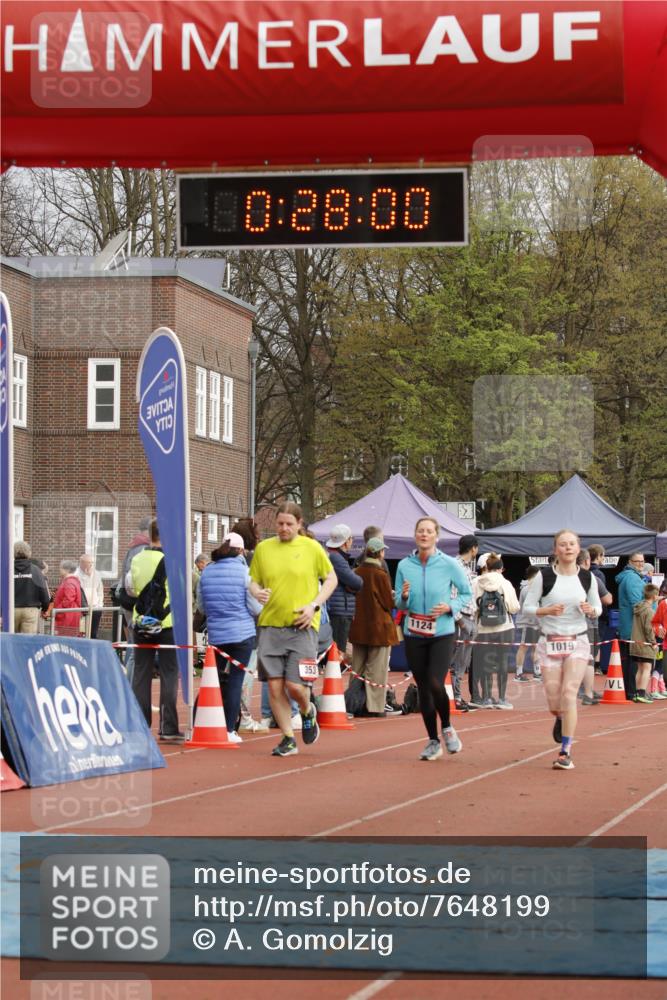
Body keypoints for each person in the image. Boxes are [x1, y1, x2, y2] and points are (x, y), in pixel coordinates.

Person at [249, 502, 337, 757]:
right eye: (280, 524)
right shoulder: (264, 549)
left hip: (303, 627)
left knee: (296, 687)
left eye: (289, 524)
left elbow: (331, 579)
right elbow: (253, 581)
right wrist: (257, 592)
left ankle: (308, 711)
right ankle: (288, 738)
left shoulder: (312, 548)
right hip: (270, 627)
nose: (284, 528)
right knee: (275, 688)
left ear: (299, 524)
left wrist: (314, 606)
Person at [524, 529, 601, 771]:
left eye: (572, 544)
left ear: (579, 549)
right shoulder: (544, 577)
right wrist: (545, 611)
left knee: (570, 695)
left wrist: (591, 610)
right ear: (555, 549)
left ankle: (565, 751)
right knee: (554, 702)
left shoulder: (587, 578)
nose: (567, 548)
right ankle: (559, 717)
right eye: (563, 544)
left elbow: (598, 607)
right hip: (549, 641)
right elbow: (526, 607)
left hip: (577, 640)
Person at [395, 517, 471, 761]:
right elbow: (398, 602)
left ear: (437, 536)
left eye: (429, 531)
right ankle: (432, 740)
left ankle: (447, 727)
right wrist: (404, 597)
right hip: (414, 632)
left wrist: (450, 606)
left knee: (435, 682)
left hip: (442, 632)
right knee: (424, 688)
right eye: (420, 531)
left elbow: (466, 593)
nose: (424, 535)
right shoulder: (405, 565)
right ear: (415, 535)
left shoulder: (449, 564)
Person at [197, 532, 270, 741]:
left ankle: (201, 721)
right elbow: (255, 607)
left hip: (216, 633)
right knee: (235, 681)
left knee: (213, 679)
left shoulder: (207, 572)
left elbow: (202, 606)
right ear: (240, 550)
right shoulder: (245, 573)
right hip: (241, 634)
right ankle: (229, 729)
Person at [130, 518, 183, 742]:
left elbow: (132, 589)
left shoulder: (137, 558)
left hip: (142, 621)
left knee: (141, 673)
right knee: (169, 674)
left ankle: (140, 725)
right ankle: (168, 727)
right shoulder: (174, 560)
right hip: (168, 623)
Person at [348, 537, 399, 716]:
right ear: (380, 553)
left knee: (357, 668)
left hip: (359, 627)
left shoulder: (355, 572)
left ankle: (353, 703)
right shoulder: (380, 574)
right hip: (379, 629)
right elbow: (388, 602)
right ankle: (374, 706)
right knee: (376, 670)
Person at [472, 554, 519, 709]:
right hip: (504, 627)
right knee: (502, 662)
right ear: (500, 569)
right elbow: (514, 607)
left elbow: (471, 607)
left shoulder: (476, 583)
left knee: (485, 663)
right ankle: (502, 698)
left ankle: (486, 698)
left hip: (482, 628)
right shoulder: (505, 583)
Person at [117, 516, 151, 684]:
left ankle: (129, 685)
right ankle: (130, 686)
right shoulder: (142, 548)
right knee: (136, 648)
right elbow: (133, 578)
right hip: (135, 602)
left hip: (129, 600)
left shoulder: (134, 546)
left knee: (134, 645)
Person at [325, 523, 364, 655]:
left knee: (335, 650)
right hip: (340, 610)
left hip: (337, 608)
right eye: (351, 538)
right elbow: (357, 582)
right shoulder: (337, 559)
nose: (352, 541)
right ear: (346, 541)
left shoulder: (332, 555)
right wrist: (354, 585)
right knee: (337, 651)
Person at [450, 534, 479, 708]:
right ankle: (456, 697)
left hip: (468, 617)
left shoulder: (464, 567)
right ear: (473, 548)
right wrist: (460, 621)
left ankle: (457, 696)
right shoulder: (458, 567)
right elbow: (452, 595)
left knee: (462, 661)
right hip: (462, 618)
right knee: (458, 661)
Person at [616, 553, 647, 700]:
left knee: (630, 660)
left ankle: (630, 691)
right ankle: (631, 692)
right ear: (630, 562)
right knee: (632, 660)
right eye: (637, 561)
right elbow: (637, 603)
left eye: (642, 561)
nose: (641, 564)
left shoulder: (631, 577)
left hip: (629, 625)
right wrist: (652, 604)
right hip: (633, 626)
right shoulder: (632, 578)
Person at [630, 583, 660, 703]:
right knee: (647, 668)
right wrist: (653, 643)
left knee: (640, 668)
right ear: (654, 596)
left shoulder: (638, 607)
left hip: (636, 642)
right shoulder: (649, 611)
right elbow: (649, 629)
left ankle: (637, 693)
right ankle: (642, 693)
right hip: (645, 643)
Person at [13, 541, 50, 633]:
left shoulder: (6, 568)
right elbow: (43, 590)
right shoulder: (35, 570)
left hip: (11, 610)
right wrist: (45, 608)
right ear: (29, 552)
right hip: (30, 610)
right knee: (27, 642)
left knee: (9, 641)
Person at [588, 544, 613, 674]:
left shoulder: (584, 573)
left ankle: (594, 666)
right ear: (599, 556)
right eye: (603, 555)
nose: (604, 558)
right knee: (595, 643)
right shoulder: (598, 574)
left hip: (587, 614)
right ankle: (595, 667)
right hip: (597, 615)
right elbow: (604, 598)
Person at [515, 565, 541, 682]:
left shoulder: (535, 588)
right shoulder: (527, 589)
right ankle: (519, 673)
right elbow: (530, 607)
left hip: (536, 623)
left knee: (536, 647)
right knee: (523, 647)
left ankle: (537, 672)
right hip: (527, 623)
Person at [52, 559, 85, 637]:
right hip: (69, 613)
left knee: (65, 637)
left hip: (67, 615)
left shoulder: (69, 582)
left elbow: (68, 599)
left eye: (61, 568)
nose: (59, 570)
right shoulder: (72, 581)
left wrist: (57, 610)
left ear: (66, 570)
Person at [75, 553, 105, 639]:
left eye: (91, 563)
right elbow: (81, 590)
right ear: (81, 563)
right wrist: (87, 576)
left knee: (93, 633)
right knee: (82, 633)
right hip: (81, 608)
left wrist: (100, 605)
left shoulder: (97, 574)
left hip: (95, 607)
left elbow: (100, 591)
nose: (90, 565)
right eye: (88, 563)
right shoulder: (76, 574)